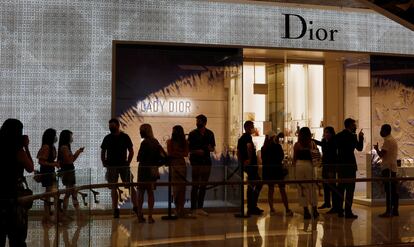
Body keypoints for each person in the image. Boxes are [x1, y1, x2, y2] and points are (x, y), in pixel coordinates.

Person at [0, 119, 34, 246]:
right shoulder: (18, 151)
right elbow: (30, 168)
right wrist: (26, 146)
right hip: (15, 195)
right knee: (17, 237)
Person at [101, 118, 138, 218]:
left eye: (112, 125)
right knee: (115, 187)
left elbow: (131, 151)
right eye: (110, 125)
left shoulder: (123, 137)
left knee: (128, 185)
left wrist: (127, 162)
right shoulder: (109, 138)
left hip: (119, 165)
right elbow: (103, 152)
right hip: (115, 165)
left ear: (117, 125)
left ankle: (135, 207)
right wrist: (104, 162)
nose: (111, 127)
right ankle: (116, 209)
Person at [136, 123, 166, 223]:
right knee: (150, 192)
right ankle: (150, 216)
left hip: (143, 169)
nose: (140, 132)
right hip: (153, 169)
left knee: (140, 192)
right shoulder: (155, 141)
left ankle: (140, 214)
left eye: (141, 130)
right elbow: (161, 156)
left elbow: (139, 157)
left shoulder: (144, 143)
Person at [336, 118, 364, 218]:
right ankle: (348, 211)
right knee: (350, 190)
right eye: (354, 125)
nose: (355, 126)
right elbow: (360, 148)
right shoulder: (353, 136)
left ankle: (339, 210)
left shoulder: (338, 135)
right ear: (350, 125)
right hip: (350, 165)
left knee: (341, 188)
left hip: (341, 165)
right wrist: (361, 137)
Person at [188, 114, 215, 216]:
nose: (197, 123)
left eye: (199, 121)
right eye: (197, 121)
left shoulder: (210, 133)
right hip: (196, 162)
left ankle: (200, 207)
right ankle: (193, 208)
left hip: (206, 162)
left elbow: (212, 148)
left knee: (203, 185)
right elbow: (189, 149)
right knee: (195, 185)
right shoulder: (192, 134)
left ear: (204, 122)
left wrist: (209, 148)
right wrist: (196, 151)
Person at [261, 131, 293, 216]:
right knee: (282, 190)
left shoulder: (264, 148)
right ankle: (287, 208)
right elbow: (281, 157)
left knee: (270, 190)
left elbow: (263, 160)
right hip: (277, 170)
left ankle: (271, 208)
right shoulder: (277, 146)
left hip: (268, 171)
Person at [237, 120, 263, 216]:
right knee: (257, 183)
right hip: (251, 166)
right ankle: (252, 206)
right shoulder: (247, 138)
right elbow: (249, 148)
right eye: (252, 126)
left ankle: (252, 206)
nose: (253, 128)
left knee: (252, 185)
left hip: (247, 165)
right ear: (248, 127)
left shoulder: (242, 138)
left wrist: (241, 162)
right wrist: (249, 159)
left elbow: (238, 151)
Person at [293, 127, 319, 219]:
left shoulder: (297, 144)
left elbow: (294, 158)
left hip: (299, 165)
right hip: (309, 165)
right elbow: (316, 156)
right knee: (312, 187)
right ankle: (314, 209)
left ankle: (305, 210)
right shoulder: (312, 144)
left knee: (302, 188)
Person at [58, 130, 84, 218]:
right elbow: (69, 161)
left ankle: (76, 213)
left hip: (69, 172)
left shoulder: (65, 147)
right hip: (68, 172)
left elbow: (70, 160)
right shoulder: (64, 148)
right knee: (70, 193)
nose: (72, 138)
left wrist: (77, 152)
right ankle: (72, 214)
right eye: (71, 136)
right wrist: (77, 152)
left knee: (71, 193)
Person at [374, 124, 399, 217]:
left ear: (385, 130)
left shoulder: (388, 141)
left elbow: (381, 155)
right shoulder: (392, 140)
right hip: (392, 167)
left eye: (381, 130)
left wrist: (376, 149)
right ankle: (395, 210)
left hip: (388, 168)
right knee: (392, 190)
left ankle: (389, 211)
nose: (381, 132)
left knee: (389, 191)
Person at [313, 126, 340, 213]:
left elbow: (328, 149)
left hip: (331, 165)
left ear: (332, 133)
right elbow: (323, 148)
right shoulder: (324, 141)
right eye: (325, 132)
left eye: (328, 132)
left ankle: (335, 205)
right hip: (325, 164)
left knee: (332, 185)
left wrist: (314, 141)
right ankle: (327, 202)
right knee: (325, 184)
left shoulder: (334, 141)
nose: (326, 134)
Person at [37, 128, 60, 223]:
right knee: (49, 193)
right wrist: (53, 164)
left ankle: (49, 215)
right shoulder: (46, 147)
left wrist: (54, 164)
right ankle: (47, 216)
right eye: (54, 135)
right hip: (47, 172)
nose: (56, 137)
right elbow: (41, 161)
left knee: (51, 193)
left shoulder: (52, 147)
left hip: (51, 171)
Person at [167, 125, 189, 218]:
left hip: (181, 165)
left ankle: (181, 209)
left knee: (182, 188)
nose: (173, 133)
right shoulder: (170, 141)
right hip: (174, 165)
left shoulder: (185, 142)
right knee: (175, 188)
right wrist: (179, 153)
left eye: (174, 131)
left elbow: (186, 153)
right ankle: (176, 209)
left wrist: (176, 153)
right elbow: (170, 153)